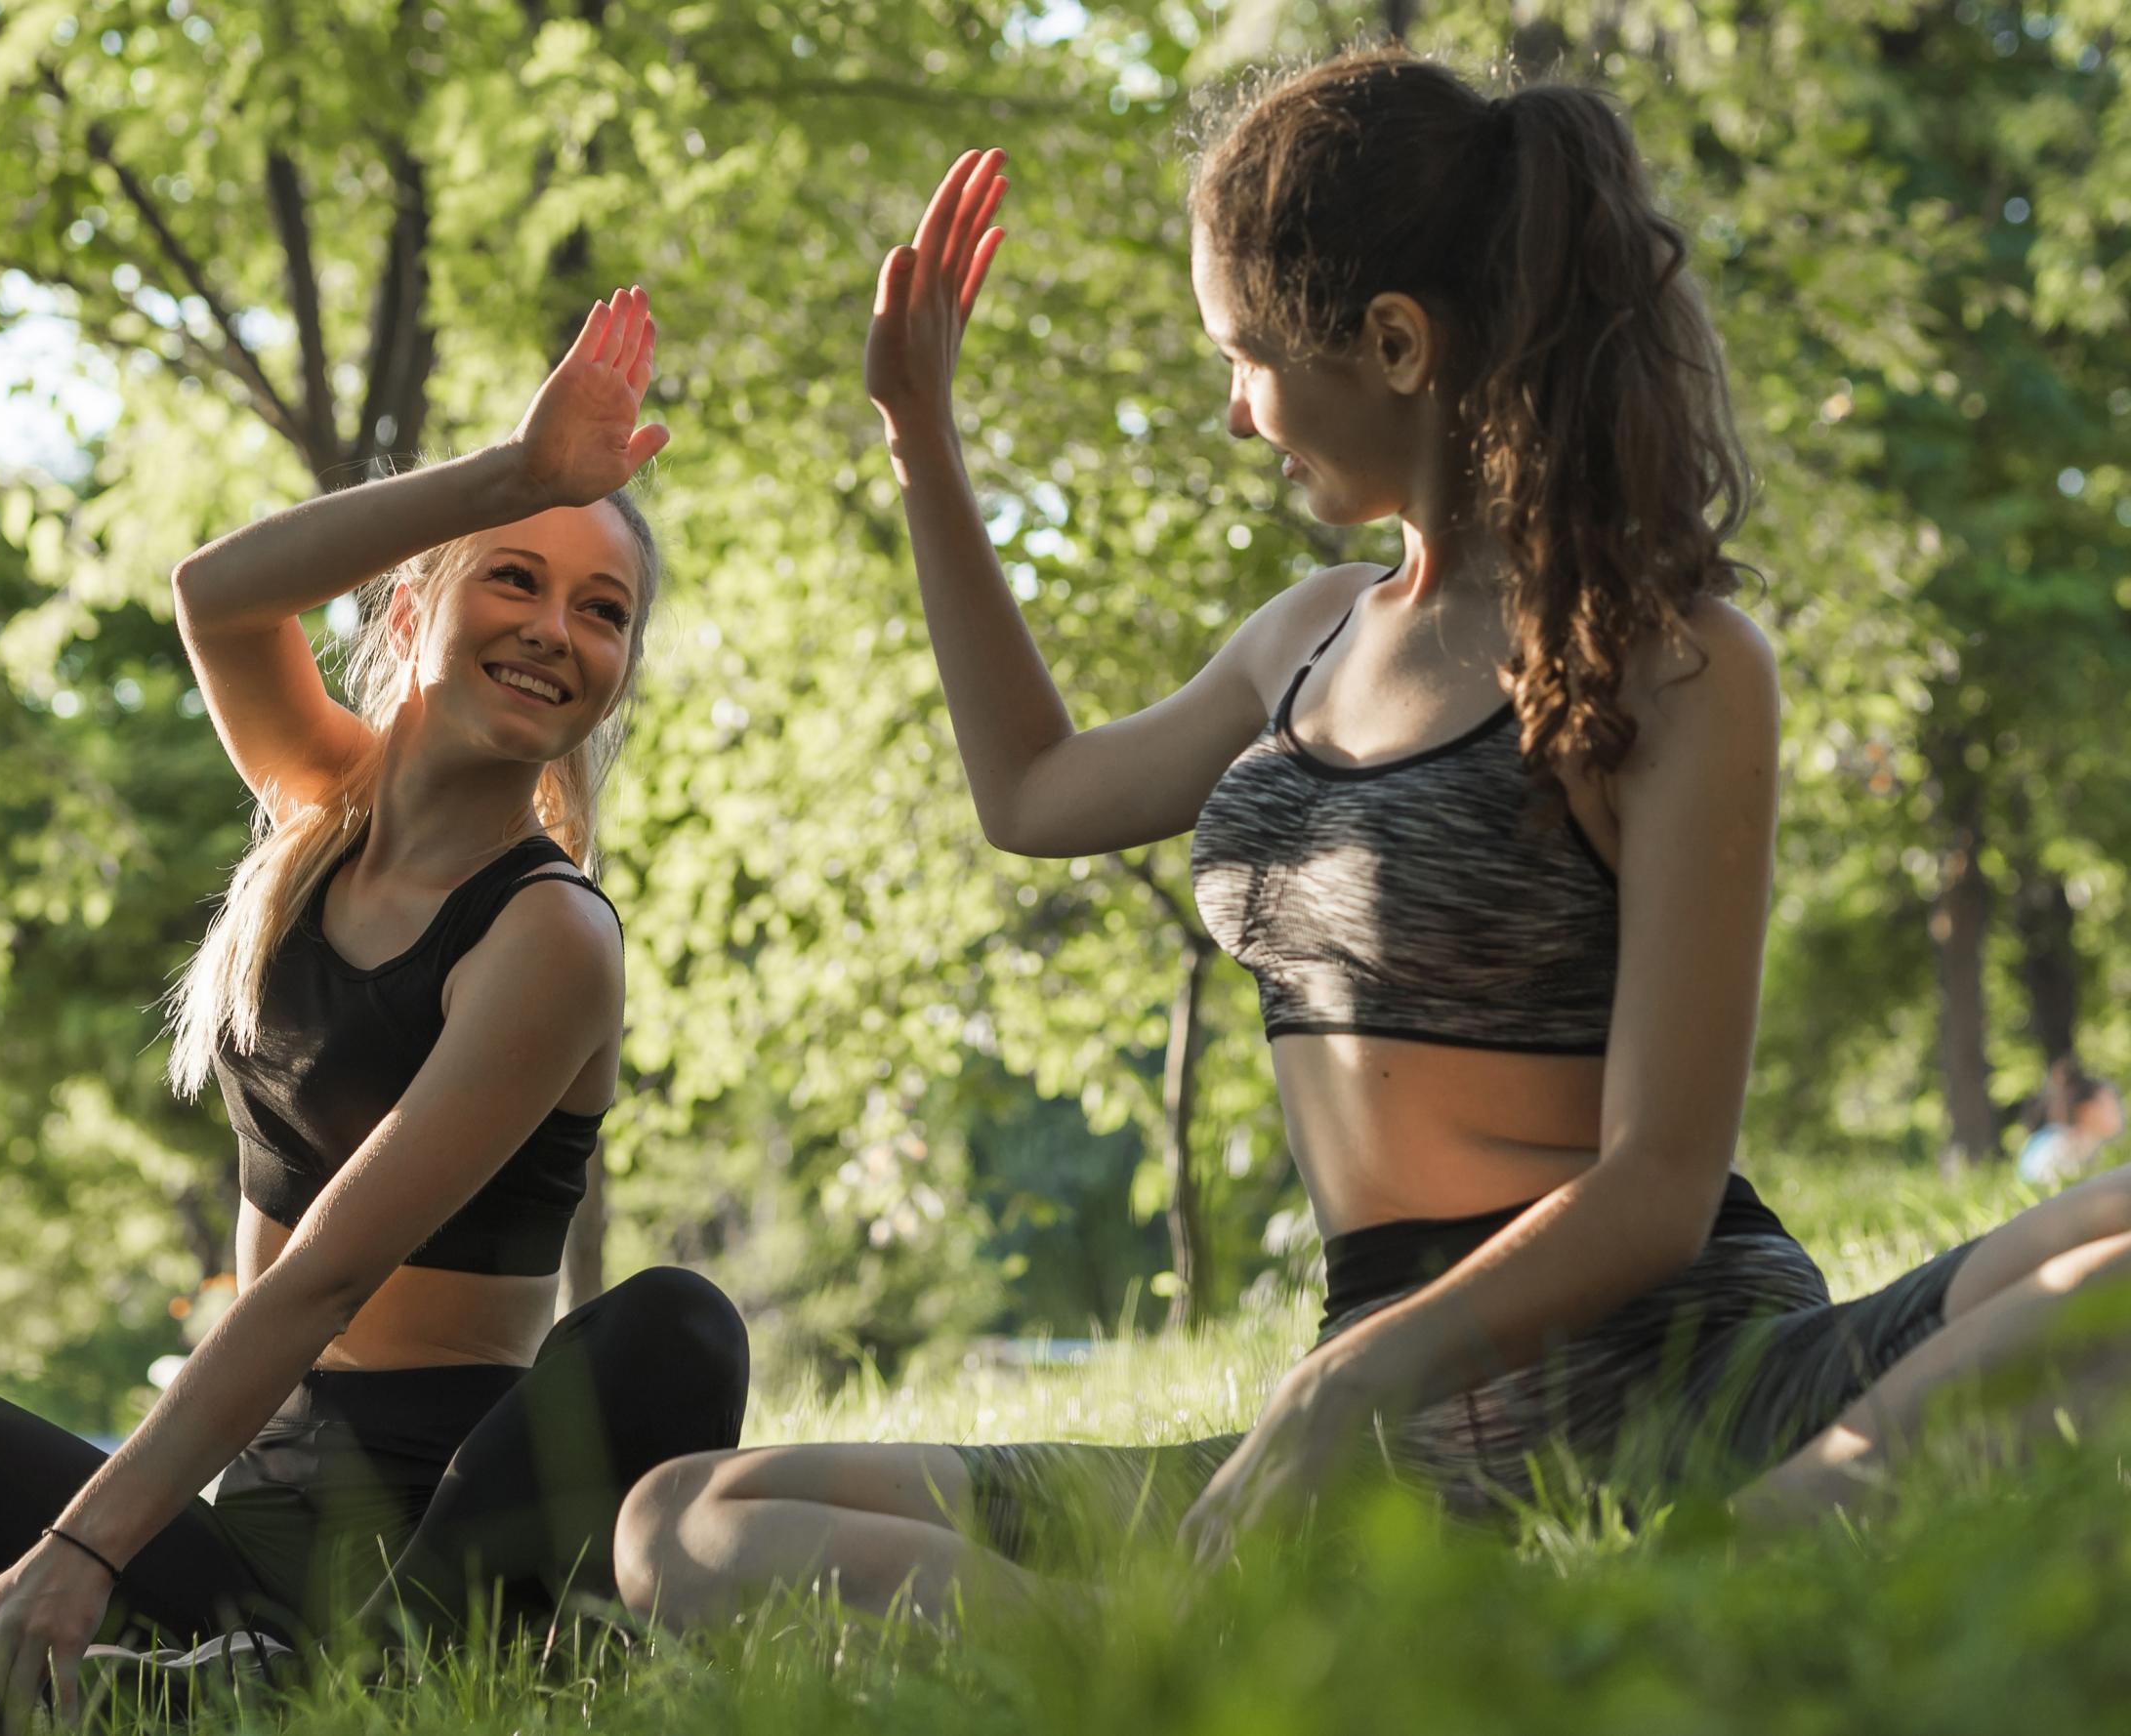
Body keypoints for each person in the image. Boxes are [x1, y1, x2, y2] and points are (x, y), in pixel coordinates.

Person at [613, 53, 2131, 1626]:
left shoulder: (1669, 656)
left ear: (1394, 344)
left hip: (1702, 1387)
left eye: (1246, 356)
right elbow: (1037, 792)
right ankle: (1171, 1653)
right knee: (682, 1516)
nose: (1231, 409)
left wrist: (1341, 1386)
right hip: (1388, 1452)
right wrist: (923, 439)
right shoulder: (1309, 636)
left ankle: (1696, 1581)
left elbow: (1664, 1181)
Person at [0, 288, 750, 1731]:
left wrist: (87, 1542)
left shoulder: (550, 934)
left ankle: (304, 1693)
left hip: (453, 1525)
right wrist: (514, 475)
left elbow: (326, 1272)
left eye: (604, 612)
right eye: (513, 578)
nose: (556, 630)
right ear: (414, 608)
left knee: (678, 1326)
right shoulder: (319, 815)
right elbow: (217, 593)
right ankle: (19, 1690)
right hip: (259, 1512)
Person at [2019, 1055, 2126, 1187]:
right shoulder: (2062, 1149)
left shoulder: (2089, 1147)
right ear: (2086, 1111)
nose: (2119, 1113)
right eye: (2110, 1106)